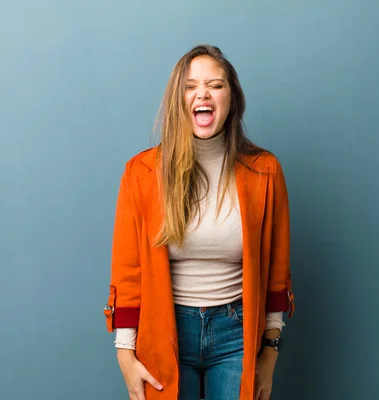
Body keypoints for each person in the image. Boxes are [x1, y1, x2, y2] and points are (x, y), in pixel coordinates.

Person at [103, 44, 295, 400]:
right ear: (179, 99)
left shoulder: (265, 171)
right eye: (191, 86)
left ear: (231, 99)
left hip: (237, 334)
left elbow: (276, 270)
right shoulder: (142, 173)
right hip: (165, 331)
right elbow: (128, 271)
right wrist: (125, 353)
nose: (202, 93)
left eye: (215, 85)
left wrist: (270, 351)